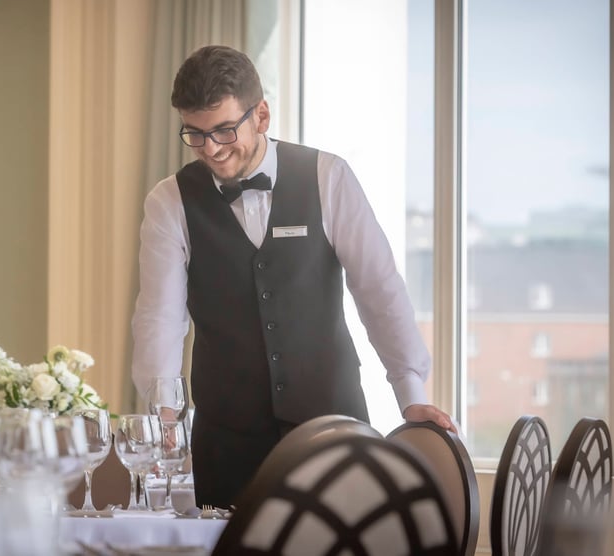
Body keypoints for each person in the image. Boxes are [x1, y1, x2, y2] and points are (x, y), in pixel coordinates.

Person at [131, 45, 455, 508]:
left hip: (333, 430)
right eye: (196, 135)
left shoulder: (328, 176)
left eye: (224, 130)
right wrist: (163, 415)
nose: (212, 149)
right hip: (227, 442)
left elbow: (379, 288)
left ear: (261, 115)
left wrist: (410, 393)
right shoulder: (170, 201)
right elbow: (160, 317)